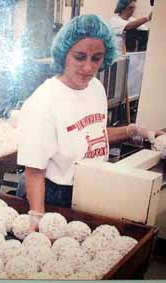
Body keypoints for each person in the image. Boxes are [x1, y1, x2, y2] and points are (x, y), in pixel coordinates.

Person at [17, 15, 163, 228]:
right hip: (52, 194)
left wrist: (135, 130)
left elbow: (92, 134)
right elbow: (35, 170)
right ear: (64, 54)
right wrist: (37, 218)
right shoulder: (44, 101)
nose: (88, 67)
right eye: (79, 57)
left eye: (96, 58)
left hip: (89, 186)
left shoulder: (96, 88)